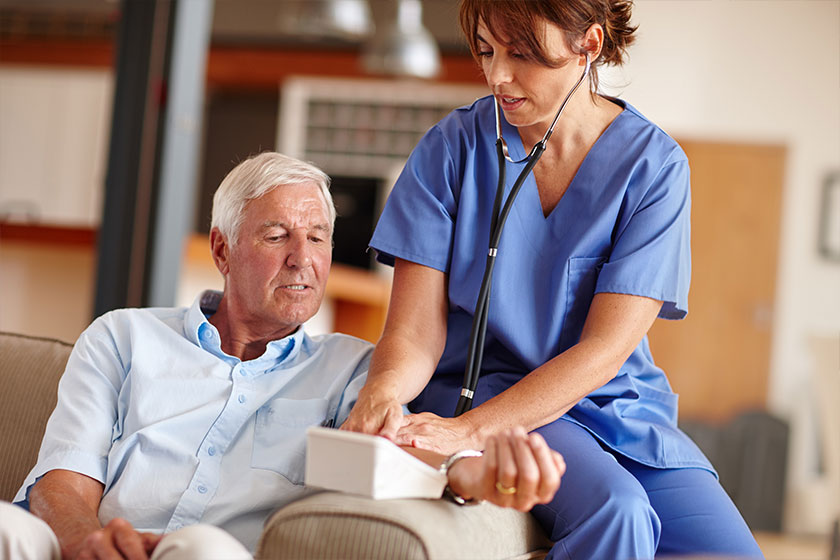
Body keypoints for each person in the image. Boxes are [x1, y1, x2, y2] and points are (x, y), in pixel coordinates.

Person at [341, 1, 764, 558]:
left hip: (616, 407)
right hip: (492, 391)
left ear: (587, 45)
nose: (497, 76)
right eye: (487, 51)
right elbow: (415, 334)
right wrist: (384, 394)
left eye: (522, 55)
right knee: (619, 512)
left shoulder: (653, 166)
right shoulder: (452, 150)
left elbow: (604, 352)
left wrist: (466, 437)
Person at [2, 152, 565, 560]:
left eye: (318, 238)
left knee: (200, 550)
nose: (304, 259)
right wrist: (86, 542)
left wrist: (480, 475)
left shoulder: (355, 369)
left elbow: (403, 457)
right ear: (223, 249)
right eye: (276, 236)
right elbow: (63, 479)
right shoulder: (123, 337)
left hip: (213, 555)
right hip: (93, 550)